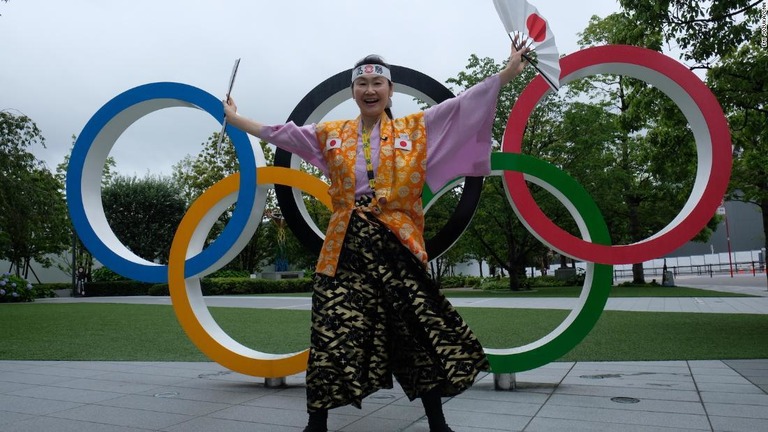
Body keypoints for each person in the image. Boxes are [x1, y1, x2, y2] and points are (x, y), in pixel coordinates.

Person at [224, 43, 529, 432]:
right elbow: (282, 134)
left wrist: (506, 74)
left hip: (397, 243)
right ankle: (316, 423)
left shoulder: (415, 128)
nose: (370, 89)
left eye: (377, 82)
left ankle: (438, 422)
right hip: (345, 245)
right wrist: (236, 119)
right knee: (332, 329)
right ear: (353, 91)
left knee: (416, 329)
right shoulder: (331, 135)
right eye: (362, 83)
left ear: (391, 90)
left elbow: (462, 106)